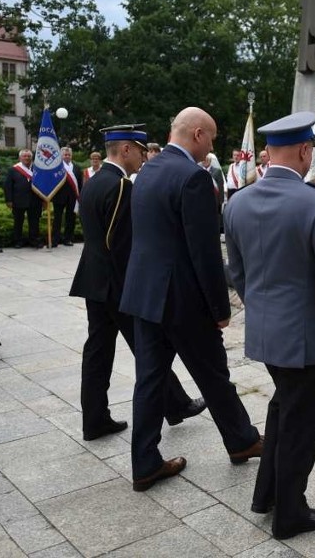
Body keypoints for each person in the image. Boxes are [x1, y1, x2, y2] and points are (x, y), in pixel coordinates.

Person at [225, 111, 315, 540]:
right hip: (306, 338)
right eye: (311, 151)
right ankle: (291, 512)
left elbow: (238, 273)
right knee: (302, 424)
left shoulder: (236, 202)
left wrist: (263, 310)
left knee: (283, 407)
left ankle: (266, 494)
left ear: (269, 152)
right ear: (305, 151)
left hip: (266, 332)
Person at [120, 107, 261, 492]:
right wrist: (221, 308)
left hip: (145, 296)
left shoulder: (146, 170)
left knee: (150, 381)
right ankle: (243, 440)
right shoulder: (193, 178)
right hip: (182, 300)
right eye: (212, 137)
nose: (213, 145)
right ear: (197, 134)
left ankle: (145, 462)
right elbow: (205, 254)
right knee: (215, 376)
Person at [70, 124, 205, 443]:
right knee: (150, 349)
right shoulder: (120, 187)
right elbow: (122, 245)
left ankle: (95, 419)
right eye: (141, 151)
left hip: (93, 281)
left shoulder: (94, 181)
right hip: (117, 287)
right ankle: (176, 404)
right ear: (126, 149)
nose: (145, 158)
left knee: (98, 352)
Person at [3, 149, 44, 249]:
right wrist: (9, 200)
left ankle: (34, 240)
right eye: (24, 156)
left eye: (29, 156)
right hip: (18, 200)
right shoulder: (13, 170)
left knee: (34, 222)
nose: (27, 158)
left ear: (32, 158)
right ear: (20, 158)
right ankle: (17, 241)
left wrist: (44, 199)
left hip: (35, 200)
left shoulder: (38, 169)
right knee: (18, 222)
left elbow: (43, 184)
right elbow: (8, 186)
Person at [52, 147, 82, 247]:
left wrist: (80, 197)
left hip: (73, 197)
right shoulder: (57, 167)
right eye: (65, 154)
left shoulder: (77, 168)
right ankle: (54, 239)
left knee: (71, 219)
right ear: (61, 156)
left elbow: (80, 183)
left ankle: (68, 239)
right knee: (57, 219)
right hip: (59, 197)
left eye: (69, 155)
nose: (67, 156)